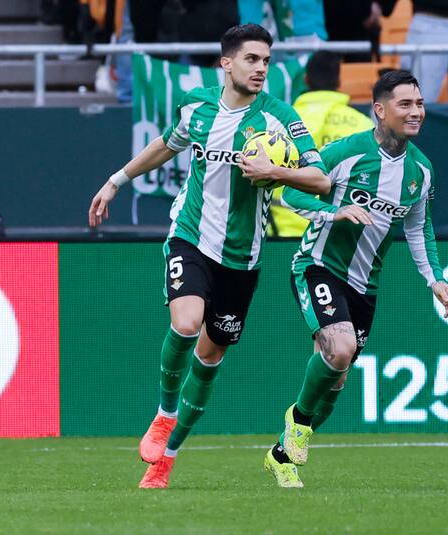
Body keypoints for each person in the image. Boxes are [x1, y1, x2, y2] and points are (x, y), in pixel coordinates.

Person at [87, 23, 330, 489]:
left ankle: (168, 455)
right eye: (251, 59)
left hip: (243, 255)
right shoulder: (197, 106)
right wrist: (116, 180)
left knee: (211, 352)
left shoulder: (280, 117)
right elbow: (166, 144)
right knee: (184, 322)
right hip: (191, 235)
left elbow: (320, 179)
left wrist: (274, 170)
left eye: (266, 60)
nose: (261, 68)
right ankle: (163, 414)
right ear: (227, 63)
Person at [262, 70, 448, 488]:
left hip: (365, 284)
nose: (415, 112)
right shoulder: (346, 152)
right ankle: (296, 424)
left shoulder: (421, 171)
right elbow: (290, 190)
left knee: (338, 377)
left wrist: (434, 279)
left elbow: (418, 229)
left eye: (419, 104)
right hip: (318, 265)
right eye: (405, 104)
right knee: (340, 349)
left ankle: (283, 454)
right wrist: (333, 212)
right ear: (380, 110)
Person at [269, 51, 374, 237]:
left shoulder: (278, 123)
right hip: (338, 236)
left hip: (281, 234)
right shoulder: (364, 126)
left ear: (306, 80)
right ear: (339, 82)